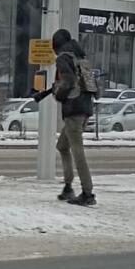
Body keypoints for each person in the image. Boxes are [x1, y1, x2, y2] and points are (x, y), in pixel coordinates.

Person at [34, 29, 96, 206]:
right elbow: (89, 85)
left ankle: (87, 193)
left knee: (77, 151)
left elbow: (68, 82)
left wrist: (59, 93)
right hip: (84, 108)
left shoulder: (63, 58)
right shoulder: (80, 57)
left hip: (73, 110)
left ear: (56, 45)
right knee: (62, 146)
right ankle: (68, 187)